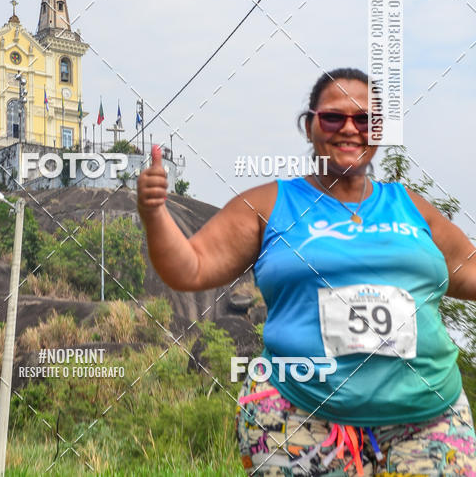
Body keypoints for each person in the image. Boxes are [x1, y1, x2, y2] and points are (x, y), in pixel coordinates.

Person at [137, 68, 476, 475]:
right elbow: (189, 269)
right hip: (297, 416)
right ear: (309, 125)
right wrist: (154, 212)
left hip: (428, 417)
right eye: (334, 117)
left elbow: (467, 272)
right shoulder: (268, 205)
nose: (350, 129)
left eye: (364, 119)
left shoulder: (412, 207)